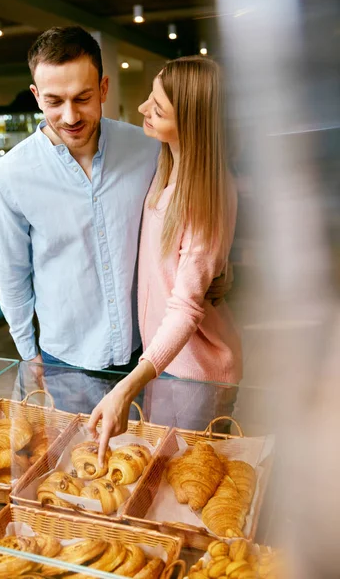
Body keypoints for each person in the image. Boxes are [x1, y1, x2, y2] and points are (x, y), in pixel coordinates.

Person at [0, 27, 230, 412]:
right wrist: (28, 354)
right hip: (64, 361)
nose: (70, 116)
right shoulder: (8, 176)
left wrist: (217, 268)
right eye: (54, 101)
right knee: (76, 469)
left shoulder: (149, 147)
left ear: (103, 88)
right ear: (35, 95)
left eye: (82, 98)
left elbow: (195, 199)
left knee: (145, 467)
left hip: (149, 354)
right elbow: (12, 277)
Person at [88, 56, 242, 462]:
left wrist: (129, 384)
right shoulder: (167, 166)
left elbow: (186, 308)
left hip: (196, 375)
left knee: (184, 489)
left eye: (157, 108)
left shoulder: (207, 194)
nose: (142, 110)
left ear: (191, 124)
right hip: (164, 362)